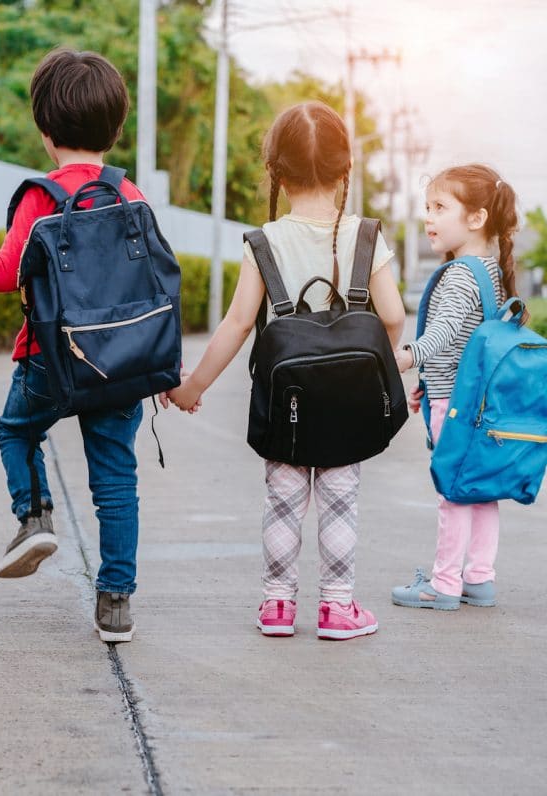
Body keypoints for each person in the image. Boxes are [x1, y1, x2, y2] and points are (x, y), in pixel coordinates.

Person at [0, 48, 174, 644]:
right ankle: (115, 602)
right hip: (120, 362)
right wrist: (163, 368)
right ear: (116, 128)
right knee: (115, 477)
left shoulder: (41, 197)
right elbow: (157, 283)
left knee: (16, 430)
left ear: (45, 130)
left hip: (48, 358)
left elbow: (5, 269)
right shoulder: (130, 194)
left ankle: (34, 515)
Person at [167, 101, 406, 640]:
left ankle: (277, 607)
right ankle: (337, 609)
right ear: (346, 170)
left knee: (283, 502)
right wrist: (377, 360)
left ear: (275, 171)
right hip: (348, 403)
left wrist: (191, 387)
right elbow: (392, 316)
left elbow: (234, 324)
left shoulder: (264, 242)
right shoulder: (366, 235)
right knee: (339, 503)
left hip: (287, 404)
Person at [390, 165, 517, 611]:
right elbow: (471, 342)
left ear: (477, 219)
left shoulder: (460, 274)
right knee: (481, 492)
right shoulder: (491, 271)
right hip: (480, 405)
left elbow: (444, 332)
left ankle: (443, 584)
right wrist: (432, 380)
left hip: (457, 409)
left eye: (440, 207)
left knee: (453, 495)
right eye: (427, 207)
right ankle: (479, 578)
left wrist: (407, 358)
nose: (429, 218)